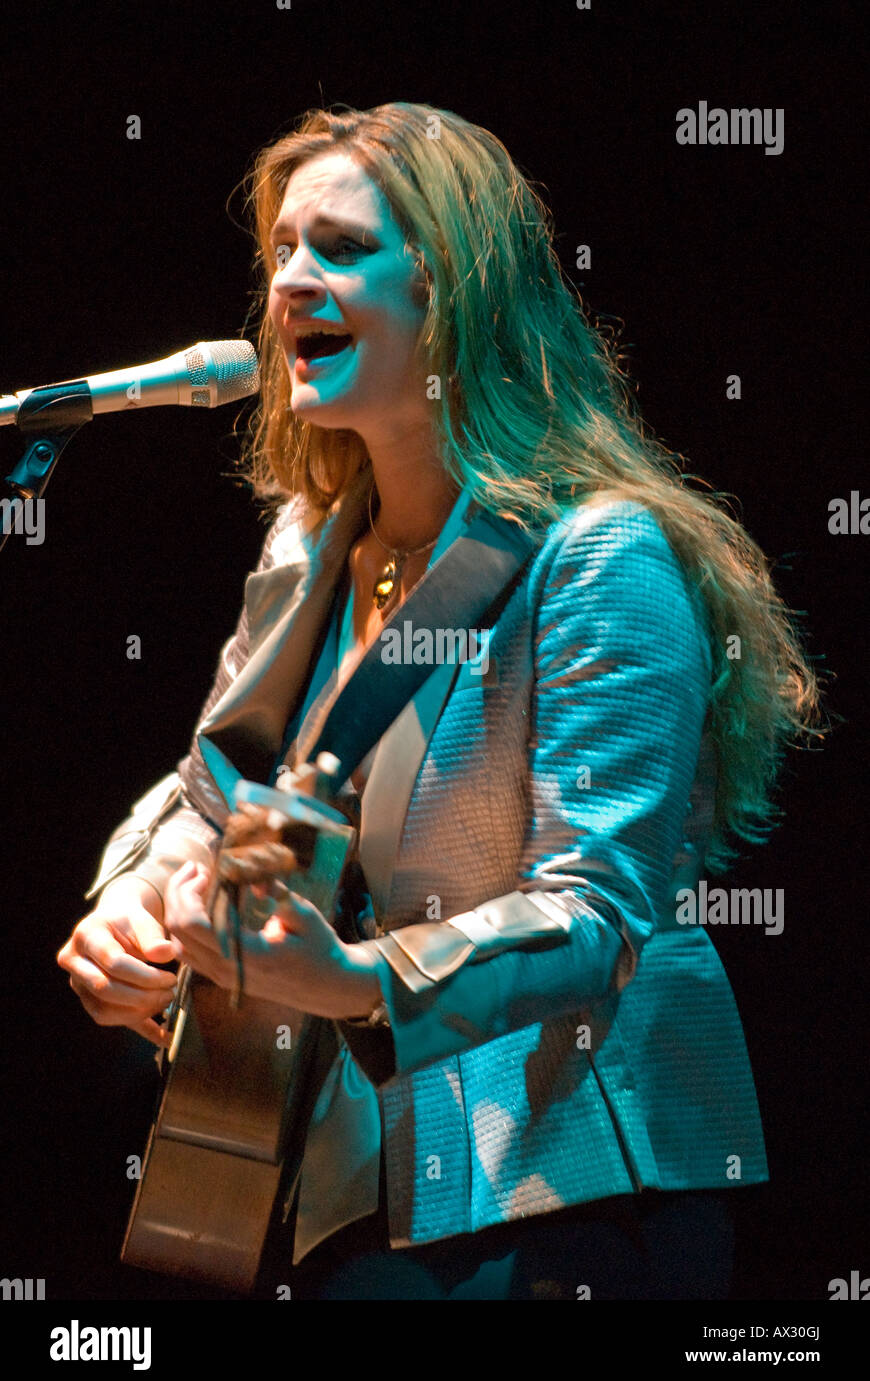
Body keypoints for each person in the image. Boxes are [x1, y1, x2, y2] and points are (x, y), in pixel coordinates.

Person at [56, 102, 821, 1300]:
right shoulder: (314, 541)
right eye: (281, 253)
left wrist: (358, 982)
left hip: (571, 1193)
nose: (291, 281)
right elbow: (219, 790)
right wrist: (136, 899)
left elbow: (596, 915)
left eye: (342, 250)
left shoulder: (597, 553)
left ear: (454, 293)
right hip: (352, 1188)